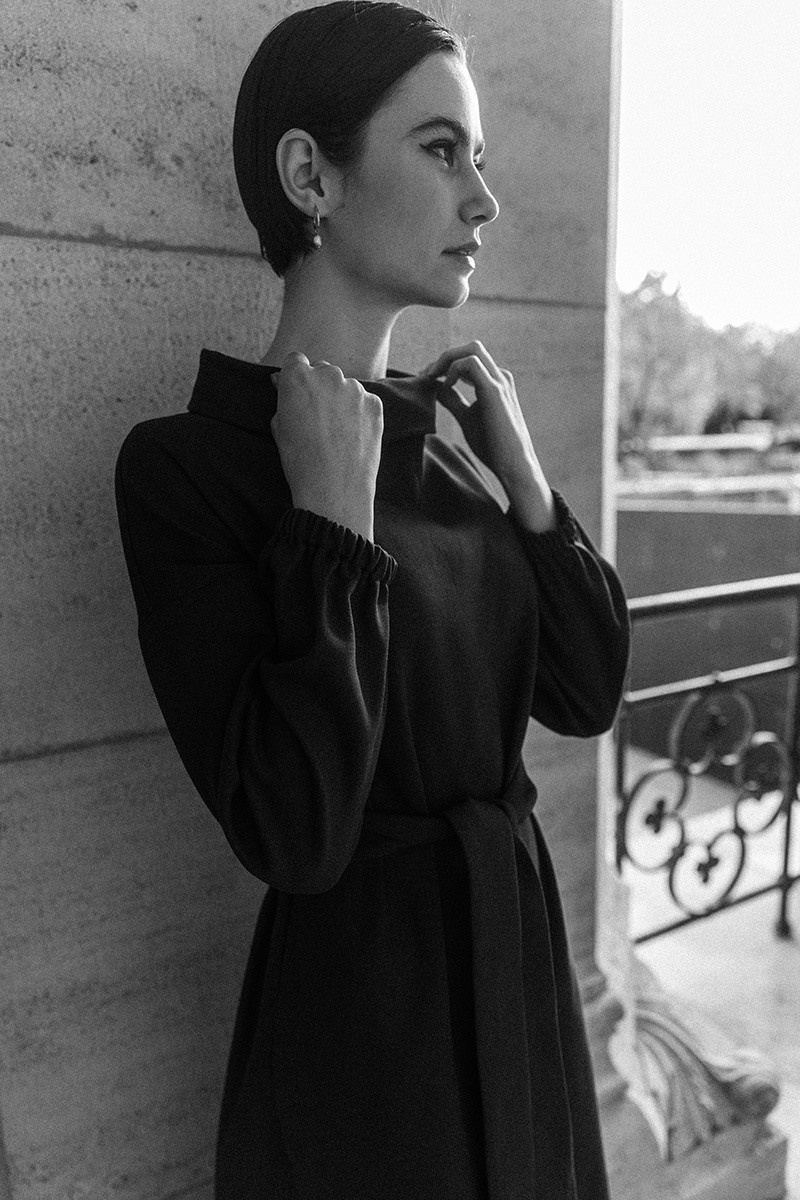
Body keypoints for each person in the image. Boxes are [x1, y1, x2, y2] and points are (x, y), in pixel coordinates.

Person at [115, 3, 631, 1197]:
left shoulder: (453, 449)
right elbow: (292, 831)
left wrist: (528, 487)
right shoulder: (188, 470)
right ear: (310, 176)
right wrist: (326, 528)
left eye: (481, 159)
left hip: (514, 981)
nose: (483, 201)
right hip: (365, 1048)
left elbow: (588, 690)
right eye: (440, 149)